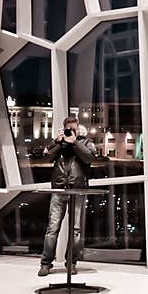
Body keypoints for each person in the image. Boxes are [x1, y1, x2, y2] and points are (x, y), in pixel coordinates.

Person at [38, 116, 96, 277]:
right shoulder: (59, 144)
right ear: (64, 129)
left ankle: (71, 262)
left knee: (75, 230)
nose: (71, 131)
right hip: (59, 190)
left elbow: (90, 158)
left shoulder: (85, 143)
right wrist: (57, 143)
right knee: (52, 228)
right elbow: (46, 158)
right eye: (68, 129)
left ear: (78, 129)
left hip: (78, 190)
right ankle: (45, 263)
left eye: (74, 129)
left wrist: (74, 142)